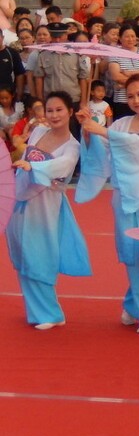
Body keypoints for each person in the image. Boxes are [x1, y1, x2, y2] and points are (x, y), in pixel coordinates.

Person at [76, 76, 139, 333]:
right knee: (132, 249)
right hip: (124, 191)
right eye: (130, 96)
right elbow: (102, 150)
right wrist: (88, 130)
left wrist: (102, 131)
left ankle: (134, 305)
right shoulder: (121, 124)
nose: (135, 100)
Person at [7, 91, 91, 329]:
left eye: (59, 110)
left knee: (39, 252)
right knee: (23, 252)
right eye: (50, 110)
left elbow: (60, 167)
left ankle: (51, 314)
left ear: (70, 112)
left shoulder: (73, 146)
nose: (54, 115)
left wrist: (32, 166)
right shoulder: (38, 131)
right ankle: (37, 311)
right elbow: (24, 157)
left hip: (46, 205)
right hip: (21, 195)